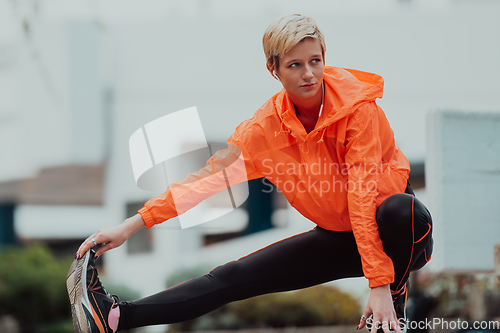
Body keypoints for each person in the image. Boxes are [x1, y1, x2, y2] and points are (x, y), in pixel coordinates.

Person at [68, 14, 433, 333]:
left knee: (402, 209)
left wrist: (381, 284)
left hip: (399, 237)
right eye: (294, 65)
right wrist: (131, 225)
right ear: (273, 68)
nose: (309, 74)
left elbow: (362, 194)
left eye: (315, 61)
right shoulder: (263, 132)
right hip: (339, 237)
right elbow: (202, 184)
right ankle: (115, 317)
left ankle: (397, 298)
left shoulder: (358, 111)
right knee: (232, 277)